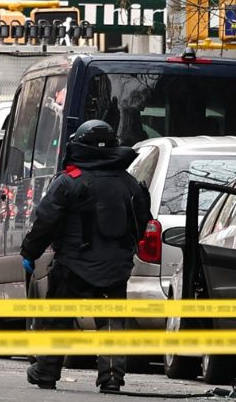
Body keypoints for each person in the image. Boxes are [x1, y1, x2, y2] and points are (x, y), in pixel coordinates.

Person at [20, 119, 152, 394]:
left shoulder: (69, 182)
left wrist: (29, 253)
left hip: (72, 266)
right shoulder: (129, 184)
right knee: (113, 322)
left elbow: (45, 221)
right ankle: (112, 377)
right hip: (116, 266)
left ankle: (46, 371)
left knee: (59, 317)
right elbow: (142, 223)